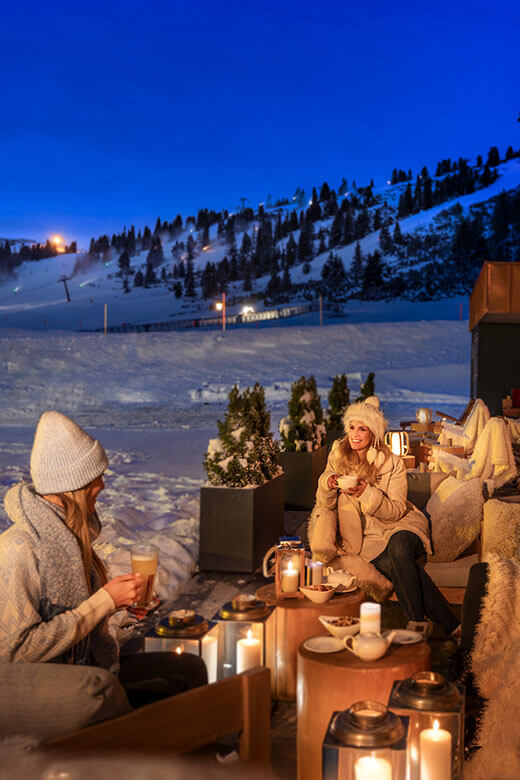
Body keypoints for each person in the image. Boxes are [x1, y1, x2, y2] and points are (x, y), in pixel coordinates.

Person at [0, 410, 207, 707]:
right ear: (75, 485)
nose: (102, 485)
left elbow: (84, 621)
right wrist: (105, 602)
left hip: (93, 669)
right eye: (96, 477)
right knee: (164, 690)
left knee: (190, 669)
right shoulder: (19, 548)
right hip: (50, 694)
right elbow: (17, 652)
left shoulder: (71, 539)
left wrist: (120, 611)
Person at [308, 397, 460, 638]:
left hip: (402, 524)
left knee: (399, 548)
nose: (355, 435)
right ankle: (454, 628)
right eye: (351, 427)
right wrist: (327, 484)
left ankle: (415, 624)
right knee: (398, 564)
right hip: (367, 539)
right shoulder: (337, 456)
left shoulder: (392, 463)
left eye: (362, 429)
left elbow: (398, 510)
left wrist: (366, 494)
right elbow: (324, 503)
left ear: (374, 434)